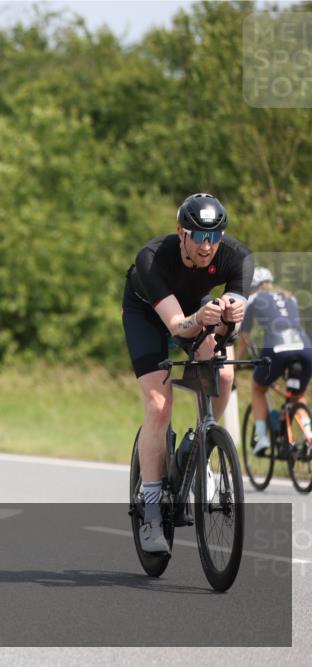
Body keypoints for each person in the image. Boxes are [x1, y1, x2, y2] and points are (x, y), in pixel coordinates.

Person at [122, 193, 253, 554]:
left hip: (196, 308)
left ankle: (200, 448)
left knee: (223, 376)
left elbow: (230, 324)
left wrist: (228, 318)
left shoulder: (237, 256)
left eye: (214, 237)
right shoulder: (151, 258)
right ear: (181, 233)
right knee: (159, 405)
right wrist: (201, 319)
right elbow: (178, 325)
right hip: (149, 313)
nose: (207, 246)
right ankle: (151, 509)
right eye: (199, 236)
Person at [239, 267, 312, 454]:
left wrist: (237, 363)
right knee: (297, 396)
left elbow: (245, 337)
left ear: (252, 286)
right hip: (305, 348)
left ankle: (261, 437)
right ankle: (309, 434)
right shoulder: (290, 297)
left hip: (278, 348)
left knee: (258, 388)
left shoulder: (253, 299)